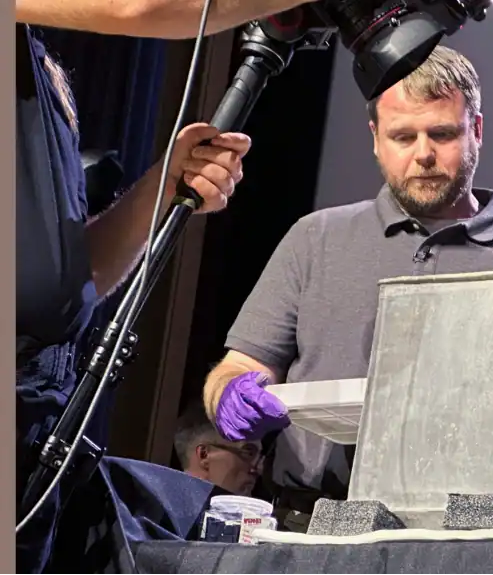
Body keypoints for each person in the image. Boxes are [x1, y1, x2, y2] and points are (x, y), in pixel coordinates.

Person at [14, 0, 312, 562]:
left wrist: (163, 186)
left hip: (39, 432)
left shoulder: (38, 72)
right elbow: (141, 7)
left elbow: (71, 276)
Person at [200, 45, 493, 530]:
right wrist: (230, 395)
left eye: (442, 133)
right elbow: (238, 368)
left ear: (476, 130)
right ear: (375, 139)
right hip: (310, 523)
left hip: (464, 536)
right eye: (402, 136)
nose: (423, 154)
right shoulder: (316, 238)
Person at [174, 403, 265, 497]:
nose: (259, 468)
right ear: (204, 455)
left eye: (260, 456)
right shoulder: (161, 508)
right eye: (248, 453)